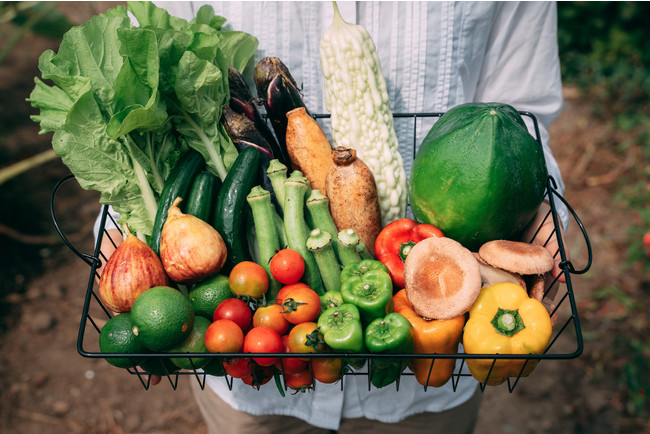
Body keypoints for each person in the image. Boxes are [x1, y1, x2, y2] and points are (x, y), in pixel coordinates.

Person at [96, 2, 569, 433]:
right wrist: (128, 258)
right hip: (255, 375)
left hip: (429, 377)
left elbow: (521, 119)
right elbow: (153, 117)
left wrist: (543, 220)